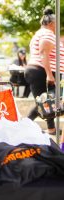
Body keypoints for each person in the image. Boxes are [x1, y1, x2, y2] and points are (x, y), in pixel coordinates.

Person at [24, 7, 64, 135]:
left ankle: (51, 129)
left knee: (46, 102)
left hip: (39, 71)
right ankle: (23, 125)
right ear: (52, 23)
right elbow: (43, 53)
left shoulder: (41, 33)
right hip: (41, 71)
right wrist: (49, 74)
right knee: (44, 103)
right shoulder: (47, 34)